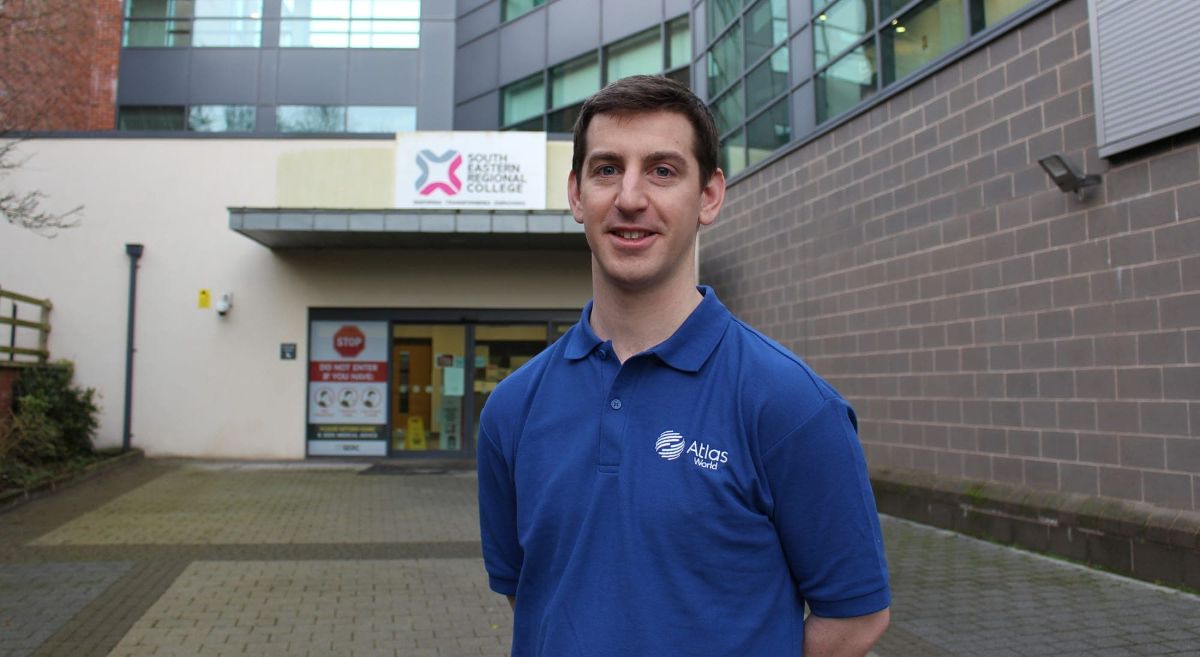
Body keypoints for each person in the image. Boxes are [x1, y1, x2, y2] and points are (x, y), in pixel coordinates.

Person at [477, 75, 891, 657]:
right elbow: (532, 594)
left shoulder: (791, 405)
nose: (629, 198)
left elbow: (854, 617)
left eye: (663, 170)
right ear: (576, 195)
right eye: (606, 169)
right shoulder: (512, 409)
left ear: (709, 197)